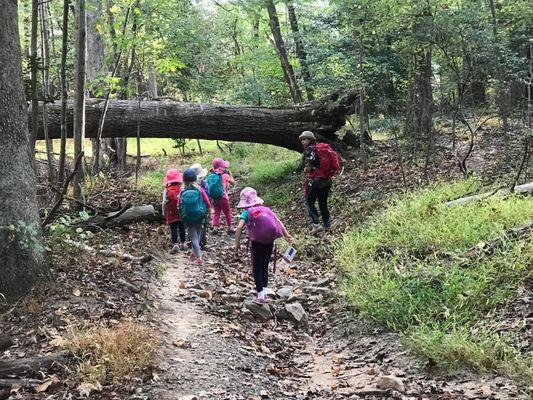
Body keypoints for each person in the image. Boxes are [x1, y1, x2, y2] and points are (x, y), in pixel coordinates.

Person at [234, 187, 292, 304]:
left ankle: (260, 296)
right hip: (269, 242)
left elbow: (239, 227)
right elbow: (278, 222)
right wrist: (287, 235)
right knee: (265, 266)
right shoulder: (267, 209)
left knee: (257, 268)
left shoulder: (247, 212)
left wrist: (237, 243)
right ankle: (265, 292)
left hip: (257, 243)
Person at [299, 130, 340, 231]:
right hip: (326, 180)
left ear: (310, 140)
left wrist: (306, 169)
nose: (302, 141)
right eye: (302, 139)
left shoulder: (309, 150)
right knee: (323, 204)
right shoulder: (321, 148)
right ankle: (327, 225)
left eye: (305, 139)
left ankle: (316, 224)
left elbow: (309, 168)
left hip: (317, 181)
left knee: (309, 202)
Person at [180, 168, 211, 266]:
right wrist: (209, 213)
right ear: (195, 179)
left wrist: (181, 215)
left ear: (184, 180)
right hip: (200, 215)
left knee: (193, 237)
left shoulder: (182, 191)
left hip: (188, 217)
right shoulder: (199, 189)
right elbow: (207, 202)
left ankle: (197, 256)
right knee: (197, 235)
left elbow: (179, 205)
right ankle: (197, 255)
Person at [206, 157, 235, 235]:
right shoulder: (225, 175)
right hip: (223, 197)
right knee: (227, 212)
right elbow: (233, 183)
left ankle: (215, 228)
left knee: (216, 212)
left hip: (215, 198)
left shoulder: (211, 176)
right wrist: (230, 175)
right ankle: (229, 228)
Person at [162, 169, 186, 252]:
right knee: (182, 227)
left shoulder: (166, 190)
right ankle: (183, 243)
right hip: (181, 212)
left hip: (170, 212)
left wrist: (164, 213)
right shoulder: (182, 189)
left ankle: (175, 243)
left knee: (173, 229)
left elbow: (164, 203)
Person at [190, 163, 209, 248]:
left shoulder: (188, 186)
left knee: (192, 225)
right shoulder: (204, 184)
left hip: (191, 209)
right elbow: (208, 197)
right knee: (202, 224)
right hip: (202, 209)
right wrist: (209, 207)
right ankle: (201, 241)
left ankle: (191, 240)